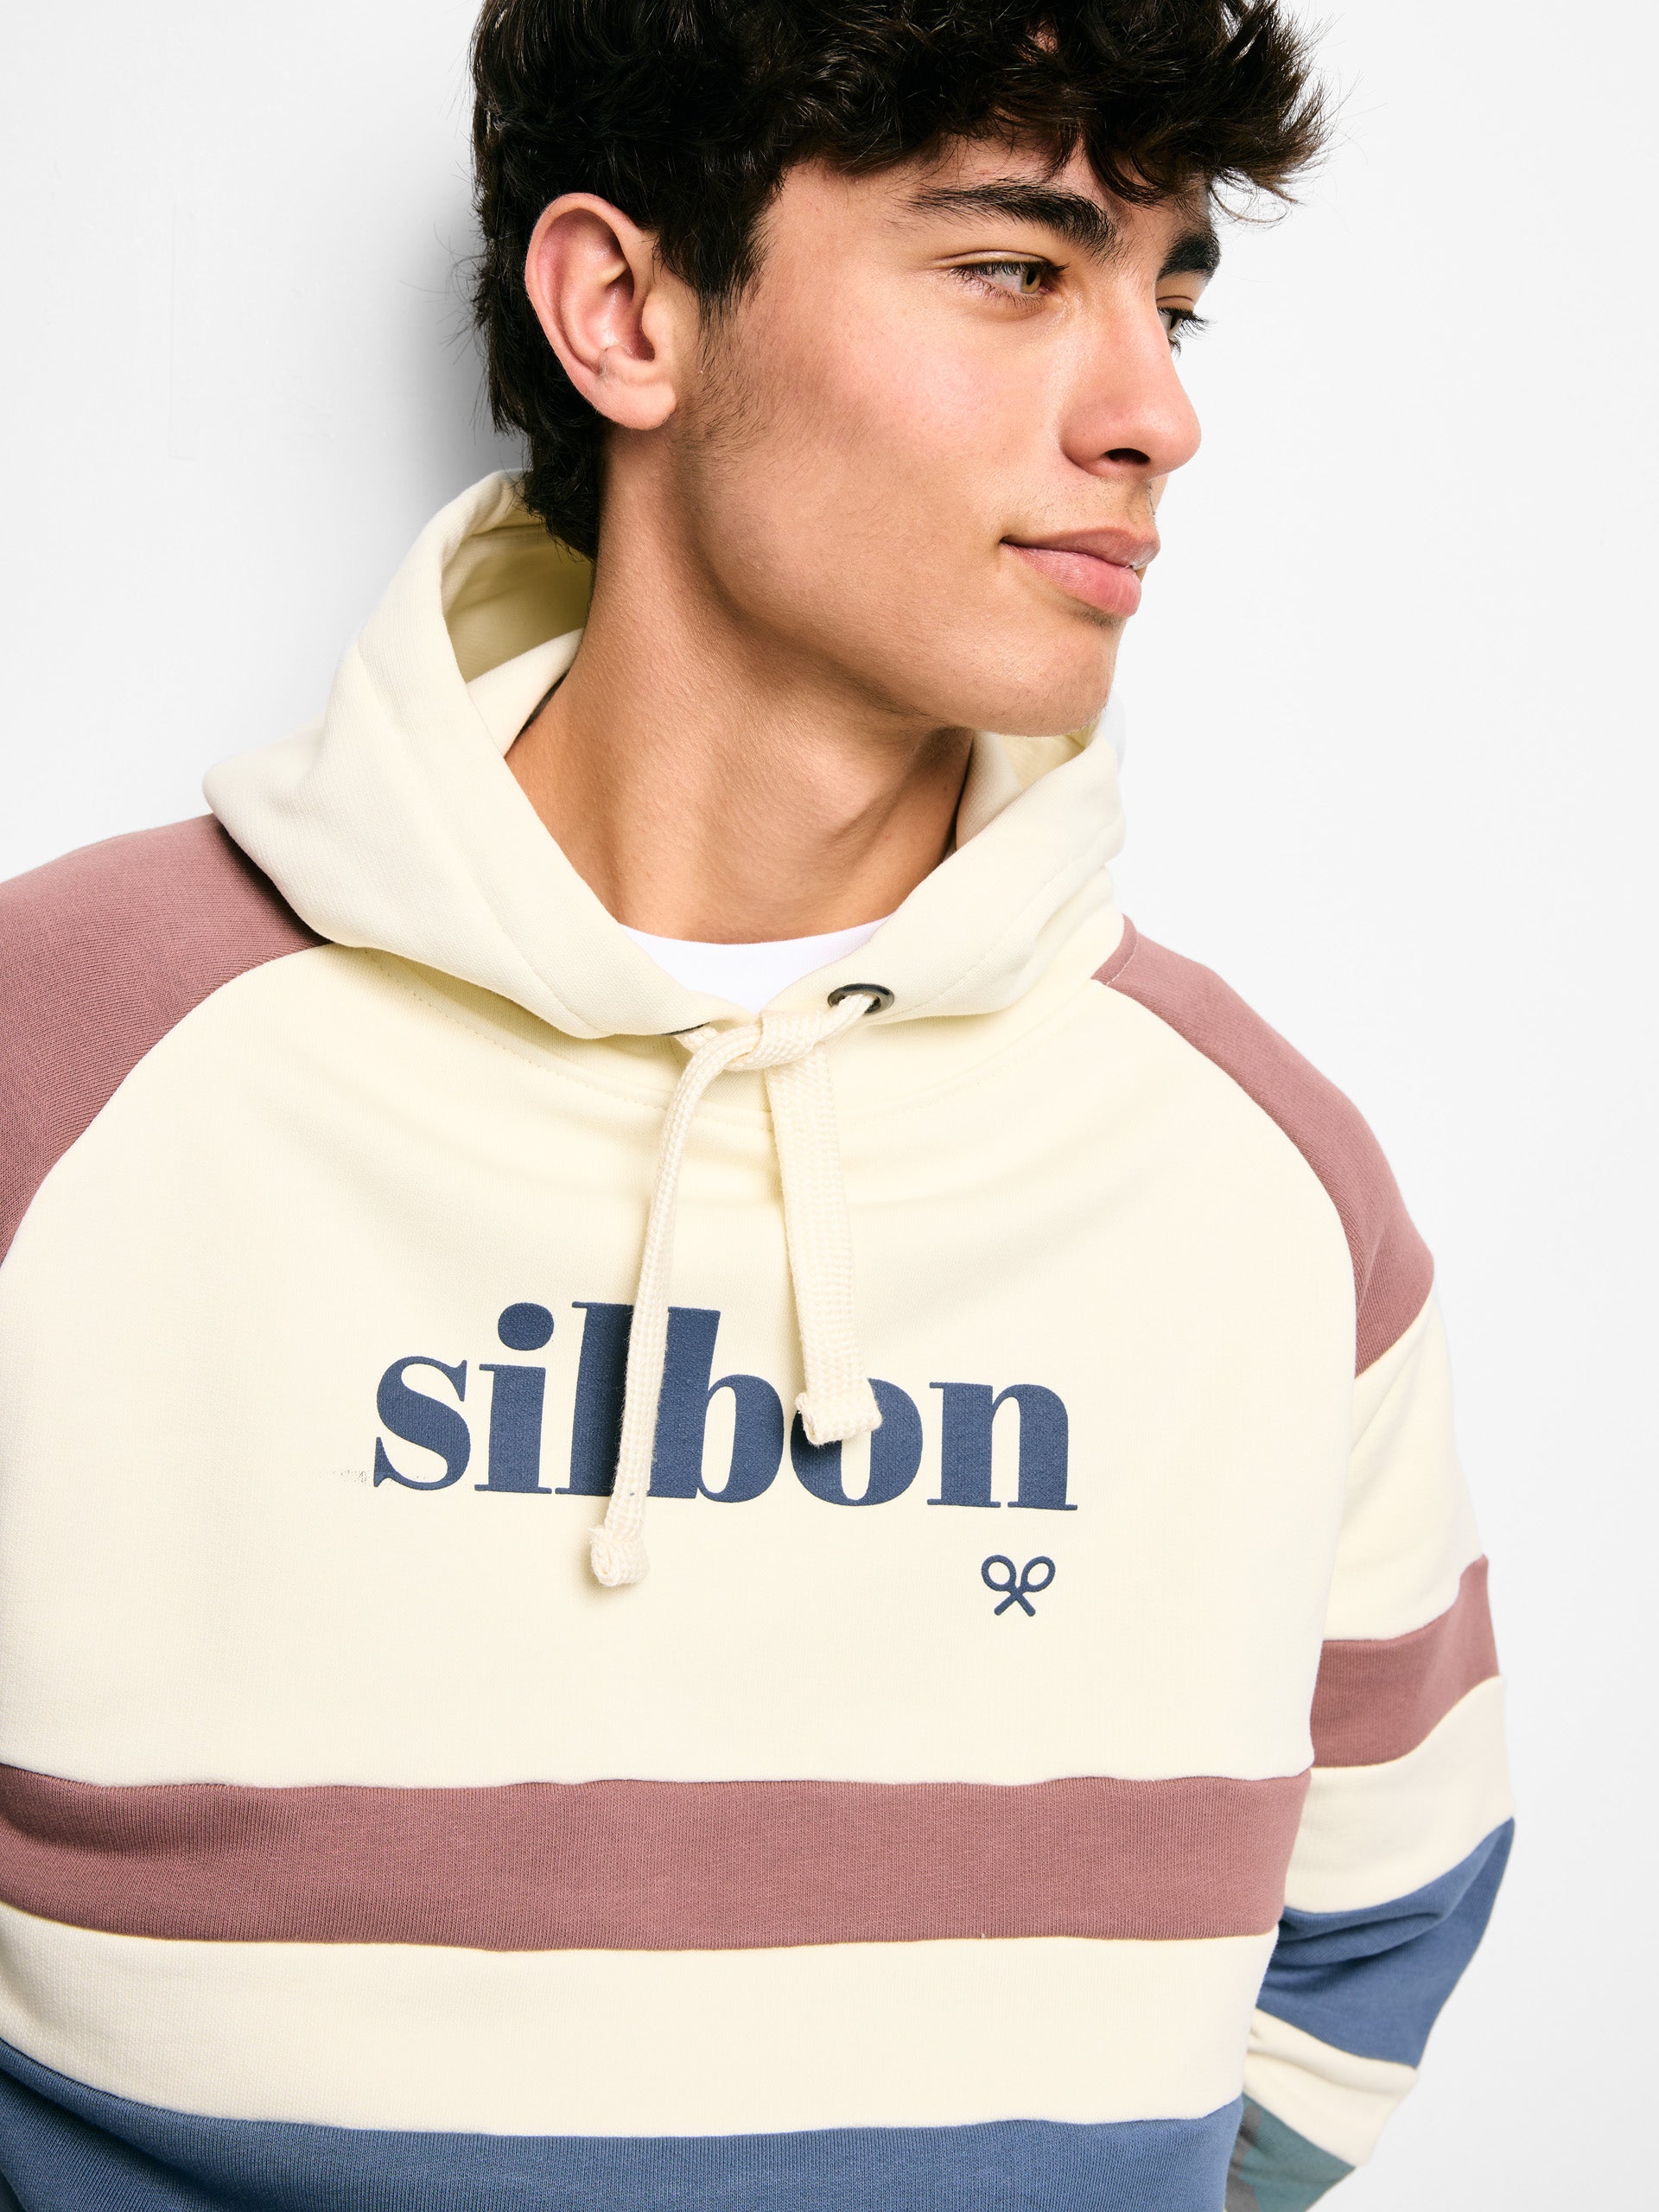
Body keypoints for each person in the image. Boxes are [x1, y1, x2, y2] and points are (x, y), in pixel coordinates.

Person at [0, 3, 1510, 2206]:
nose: (1158, 412)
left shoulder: (1261, 1182)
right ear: (626, 311)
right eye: (1015, 268)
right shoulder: (58, 1066)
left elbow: (1376, 1936)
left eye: (1172, 299)